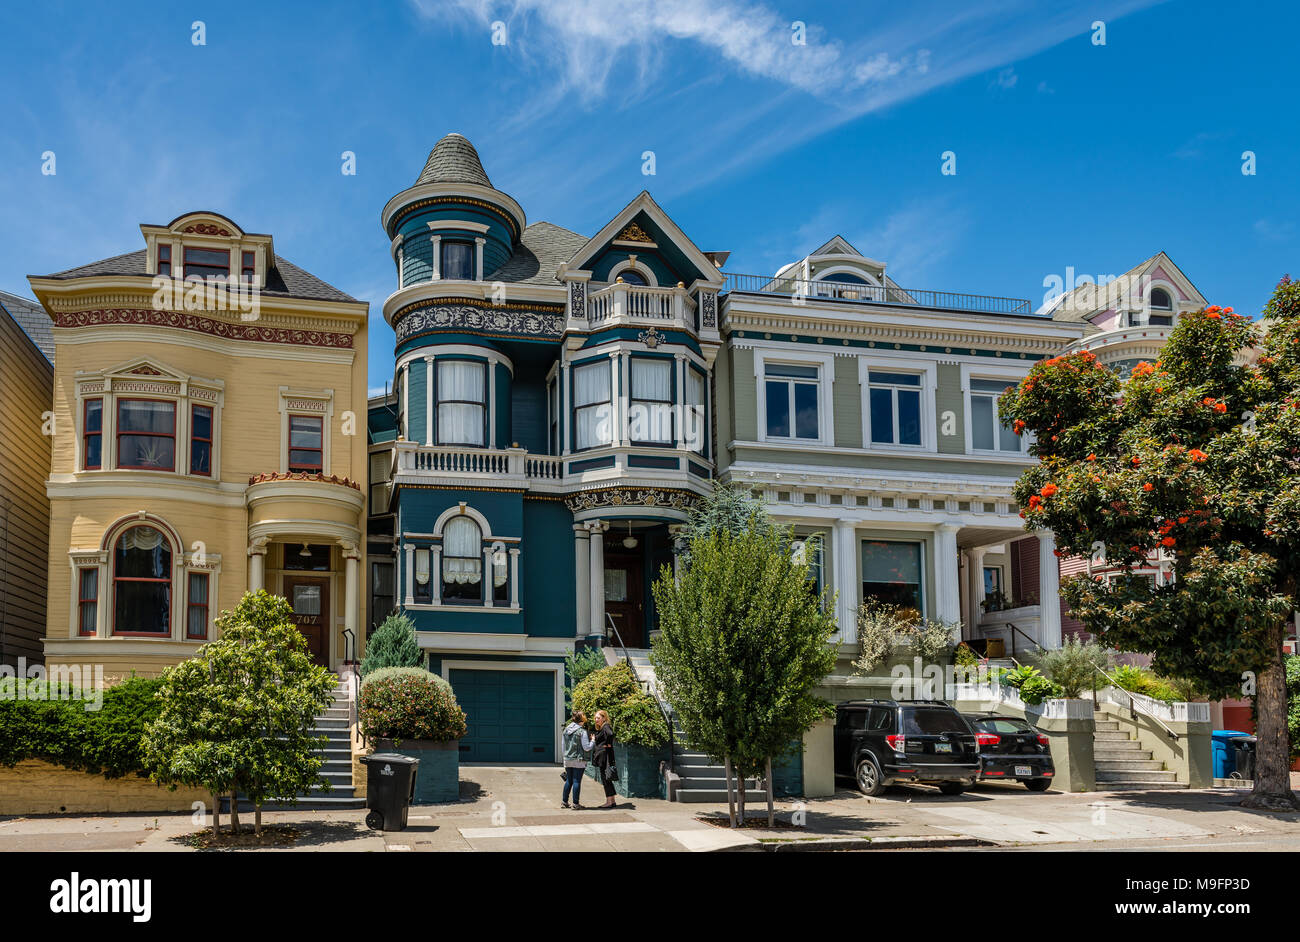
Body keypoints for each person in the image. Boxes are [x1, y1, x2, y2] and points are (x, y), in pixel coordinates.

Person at [561, 710, 593, 809]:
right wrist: (593, 741)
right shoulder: (582, 732)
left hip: (568, 759)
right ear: (581, 719)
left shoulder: (566, 729)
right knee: (576, 781)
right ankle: (575, 804)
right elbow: (586, 747)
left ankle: (564, 802)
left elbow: (563, 746)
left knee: (569, 781)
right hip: (578, 760)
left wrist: (565, 757)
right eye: (584, 716)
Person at [591, 709, 617, 808]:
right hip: (604, 757)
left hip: (604, 758)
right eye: (595, 718)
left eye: (598, 718)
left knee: (605, 779)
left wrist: (607, 745)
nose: (596, 720)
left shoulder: (605, 726)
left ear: (604, 718)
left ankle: (609, 802)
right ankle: (612, 801)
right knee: (607, 778)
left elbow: (610, 734)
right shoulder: (603, 727)